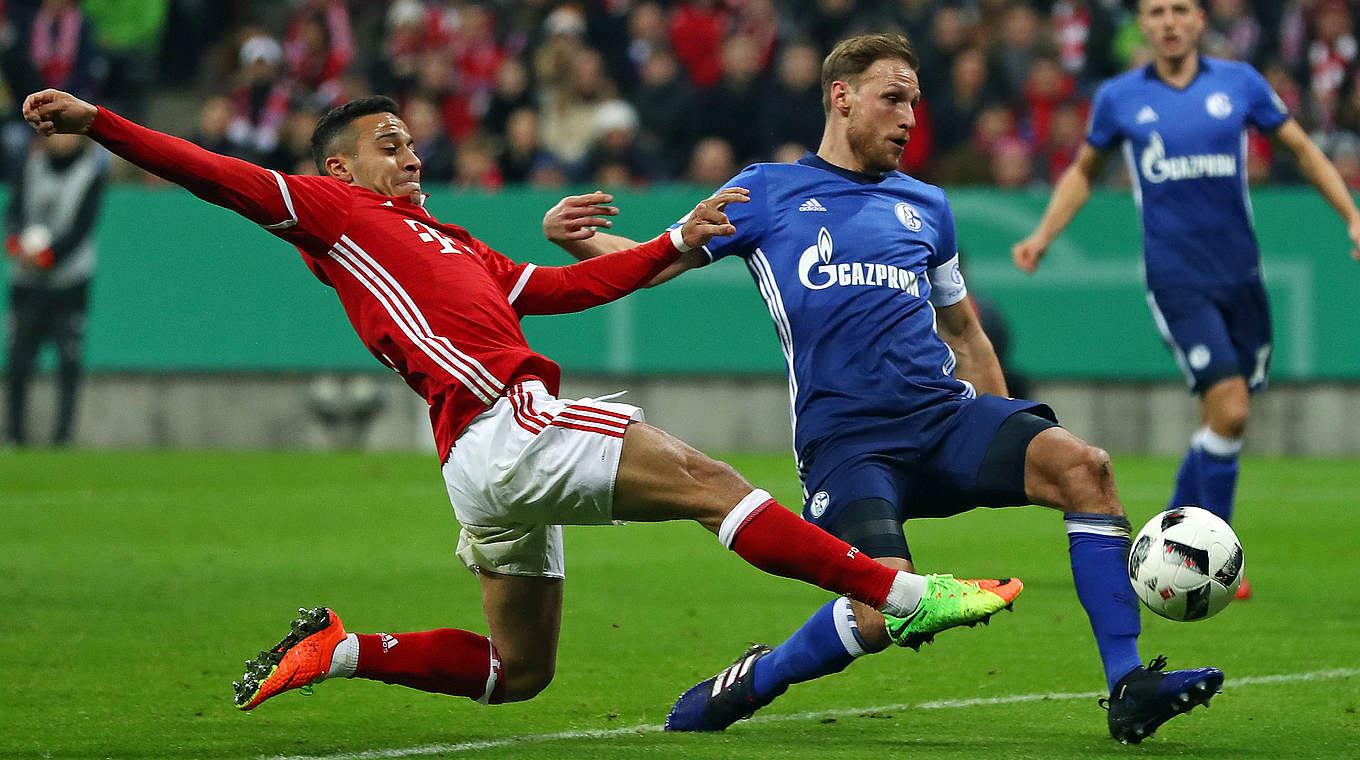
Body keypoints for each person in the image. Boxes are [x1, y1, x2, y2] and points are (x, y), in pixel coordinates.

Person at [20, 87, 1023, 716]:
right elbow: (213, 175)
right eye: (390, 143)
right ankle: (900, 592)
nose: (411, 155)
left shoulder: (458, 244)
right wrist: (98, 123)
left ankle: (344, 647)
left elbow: (570, 288)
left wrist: (677, 241)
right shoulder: (335, 213)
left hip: (479, 468)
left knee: (518, 672)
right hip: (508, 423)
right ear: (340, 167)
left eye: (413, 143)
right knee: (711, 482)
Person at [542, 32, 1220, 744]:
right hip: (848, 446)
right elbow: (649, 261)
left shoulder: (926, 205)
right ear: (842, 98)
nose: (909, 119)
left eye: (915, 104)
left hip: (941, 420)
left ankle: (1129, 686)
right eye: (893, 100)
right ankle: (759, 678)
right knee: (882, 611)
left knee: (1086, 468)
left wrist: (998, 417)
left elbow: (962, 332)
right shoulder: (766, 193)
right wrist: (576, 244)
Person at [1012, 0, 1360, 602]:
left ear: (1201, 21)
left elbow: (1302, 150)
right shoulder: (1121, 97)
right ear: (1142, 27)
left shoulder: (1240, 83)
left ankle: (1171, 529)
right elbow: (1084, 172)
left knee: (1224, 418)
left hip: (1241, 279)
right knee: (1230, 411)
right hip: (1177, 280)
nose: (1168, 22)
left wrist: (1352, 215)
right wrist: (1043, 235)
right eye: (1156, 12)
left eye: (1179, 10)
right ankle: (1218, 554)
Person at [4, 131, 107, 446]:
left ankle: (63, 436)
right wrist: (17, 248)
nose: (62, 139)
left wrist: (48, 257)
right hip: (27, 282)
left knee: (69, 360)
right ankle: (14, 434)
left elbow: (83, 227)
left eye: (69, 132)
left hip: (70, 283)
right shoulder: (31, 165)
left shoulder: (91, 173)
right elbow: (14, 212)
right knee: (18, 359)